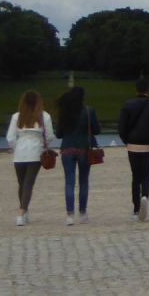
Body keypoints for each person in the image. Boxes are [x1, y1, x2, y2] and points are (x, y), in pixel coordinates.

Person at [117, 77, 149, 222]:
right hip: (148, 144)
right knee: (146, 175)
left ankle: (135, 208)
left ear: (136, 89)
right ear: (148, 90)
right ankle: (145, 195)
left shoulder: (128, 105)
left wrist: (126, 141)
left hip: (132, 144)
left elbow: (122, 127)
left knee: (135, 176)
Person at [4, 89, 55, 226]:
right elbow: (50, 136)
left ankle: (23, 211)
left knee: (22, 184)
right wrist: (44, 147)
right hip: (35, 152)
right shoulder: (44, 116)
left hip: (19, 154)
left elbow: (10, 138)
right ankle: (22, 212)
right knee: (28, 184)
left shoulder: (17, 117)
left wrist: (16, 148)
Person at [54, 85, 101, 225]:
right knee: (83, 181)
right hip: (84, 149)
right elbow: (97, 130)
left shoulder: (64, 112)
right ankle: (82, 212)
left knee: (69, 182)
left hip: (67, 149)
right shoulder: (88, 111)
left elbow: (58, 134)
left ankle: (69, 215)